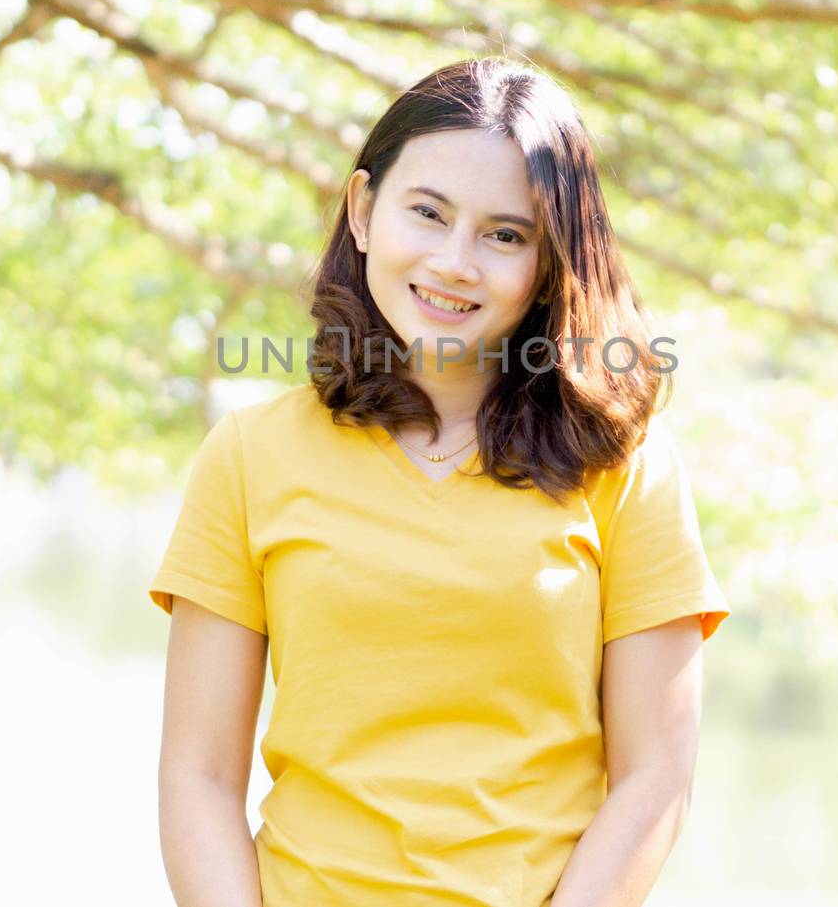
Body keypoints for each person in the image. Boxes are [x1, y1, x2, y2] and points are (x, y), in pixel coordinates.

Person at [150, 57, 731, 907]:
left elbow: (656, 780)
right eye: (427, 213)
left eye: (505, 234)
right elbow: (197, 775)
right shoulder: (248, 454)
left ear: (550, 262)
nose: (455, 263)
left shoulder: (624, 465)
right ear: (362, 211)